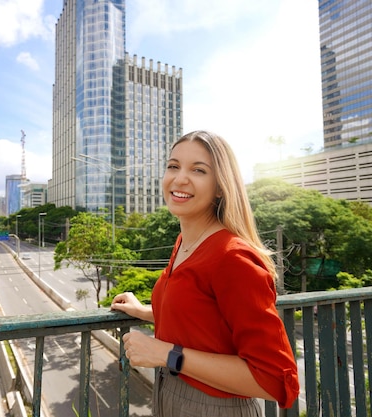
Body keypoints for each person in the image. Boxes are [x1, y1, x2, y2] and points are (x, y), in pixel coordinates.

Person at [111, 130, 299, 416]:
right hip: (169, 397)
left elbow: (276, 380)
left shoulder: (232, 257)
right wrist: (145, 311)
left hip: (214, 407)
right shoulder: (185, 243)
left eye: (198, 170)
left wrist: (166, 354)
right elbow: (201, 315)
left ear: (221, 187)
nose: (180, 178)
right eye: (173, 166)